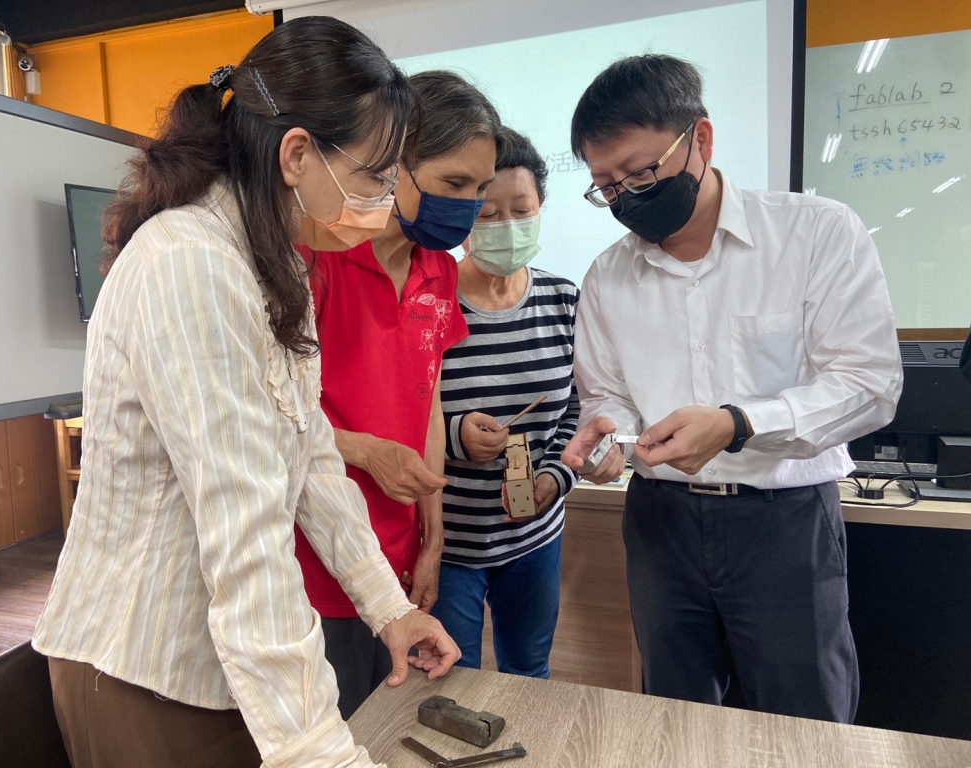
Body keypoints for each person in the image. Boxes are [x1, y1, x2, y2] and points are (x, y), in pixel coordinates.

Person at [32, 18, 460, 768]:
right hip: (143, 666)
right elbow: (246, 535)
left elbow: (311, 456)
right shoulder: (190, 264)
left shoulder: (275, 264)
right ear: (297, 154)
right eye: (375, 177)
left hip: (221, 663)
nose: (388, 203)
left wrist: (387, 607)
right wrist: (320, 751)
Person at [560, 54, 902, 723]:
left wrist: (739, 424)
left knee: (805, 722)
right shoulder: (606, 277)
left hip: (783, 521)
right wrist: (607, 442)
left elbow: (870, 383)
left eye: (640, 173)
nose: (626, 196)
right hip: (660, 524)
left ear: (701, 139)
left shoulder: (814, 233)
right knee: (674, 717)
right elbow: (608, 398)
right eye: (606, 186)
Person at [294, 70, 499, 719]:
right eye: (454, 184)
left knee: (395, 716)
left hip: (401, 548)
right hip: (318, 548)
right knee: (336, 722)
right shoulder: (314, 255)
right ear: (395, 163)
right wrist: (364, 451)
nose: (469, 206)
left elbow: (428, 399)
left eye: (481, 189)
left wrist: (432, 537)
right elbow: (270, 417)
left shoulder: (438, 268)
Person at [431, 127, 579, 677]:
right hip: (448, 544)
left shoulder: (563, 300)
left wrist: (557, 476)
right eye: (487, 214)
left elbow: (580, 410)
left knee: (530, 672)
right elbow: (402, 410)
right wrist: (456, 436)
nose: (507, 226)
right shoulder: (429, 301)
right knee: (451, 680)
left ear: (541, 208)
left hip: (536, 535)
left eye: (521, 210)